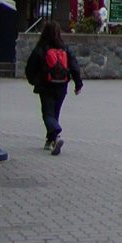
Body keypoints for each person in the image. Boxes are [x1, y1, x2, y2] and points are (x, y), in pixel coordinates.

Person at [24, 21, 83, 155]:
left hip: (46, 85)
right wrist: (78, 84)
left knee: (48, 114)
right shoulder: (64, 48)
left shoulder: (41, 48)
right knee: (55, 112)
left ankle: (55, 133)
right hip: (61, 85)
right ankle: (50, 140)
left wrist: (33, 80)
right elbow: (74, 67)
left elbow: (30, 67)